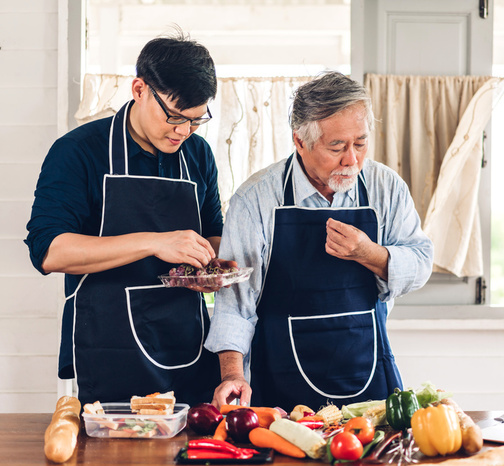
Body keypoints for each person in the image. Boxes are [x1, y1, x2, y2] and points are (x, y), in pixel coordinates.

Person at [205, 71, 434, 411]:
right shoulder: (256, 199)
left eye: (360, 143)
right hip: (280, 382)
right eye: (337, 147)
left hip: (366, 372)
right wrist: (232, 376)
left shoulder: (386, 187)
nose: (352, 159)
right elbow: (236, 303)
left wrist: (369, 253)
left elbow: (421, 262)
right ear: (300, 141)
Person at [25, 31, 229, 406]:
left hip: (188, 344)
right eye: (174, 116)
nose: (183, 131)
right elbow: (49, 251)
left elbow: (213, 234)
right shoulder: (77, 152)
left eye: (196, 120)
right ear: (139, 89)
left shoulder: (198, 154)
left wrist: (216, 264)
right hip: (110, 350)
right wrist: (156, 241)